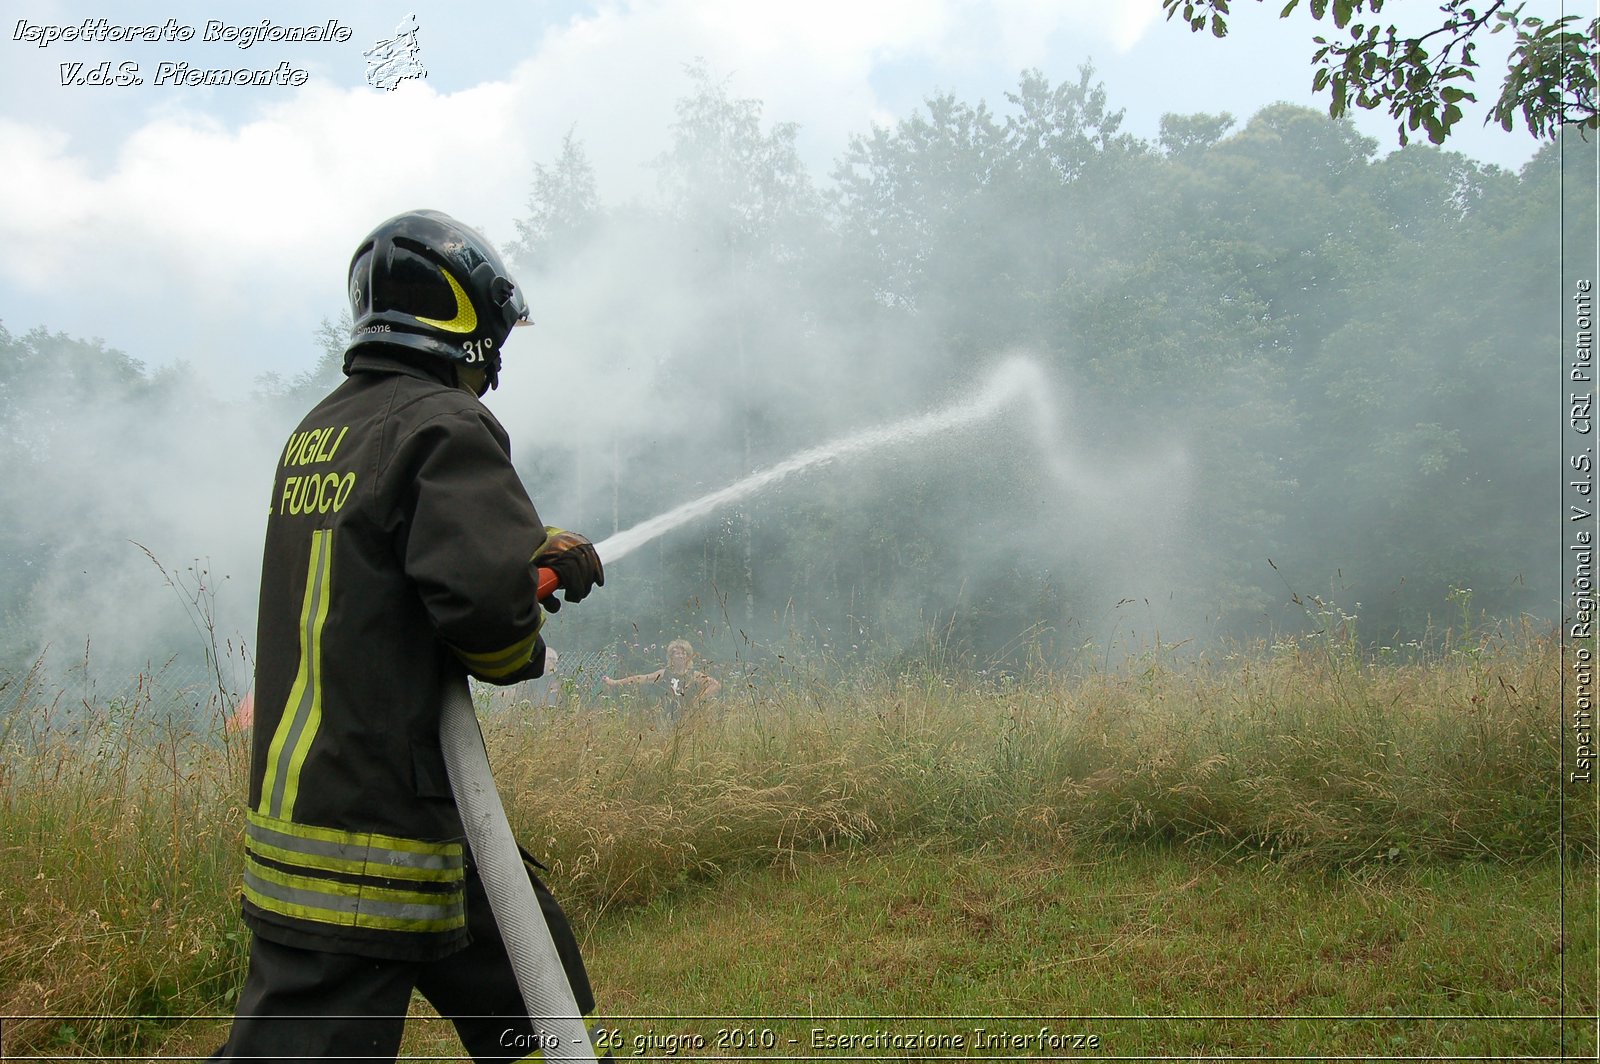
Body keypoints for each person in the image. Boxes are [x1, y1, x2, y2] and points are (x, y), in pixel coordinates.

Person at [209, 209, 607, 1063]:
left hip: (358, 807)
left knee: (541, 997)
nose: (494, 365)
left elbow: (387, 571)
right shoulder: (443, 426)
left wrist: (517, 555)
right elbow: (490, 632)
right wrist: (521, 608)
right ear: (463, 323)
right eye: (493, 340)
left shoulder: (321, 432)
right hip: (367, 838)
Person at [601, 639, 720, 718]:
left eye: (684, 653)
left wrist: (698, 701)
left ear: (688, 656)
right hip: (667, 716)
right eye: (677, 653)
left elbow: (715, 685)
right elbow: (641, 678)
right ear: (671, 657)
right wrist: (614, 682)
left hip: (689, 716)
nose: (681, 656)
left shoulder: (694, 675)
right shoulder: (664, 673)